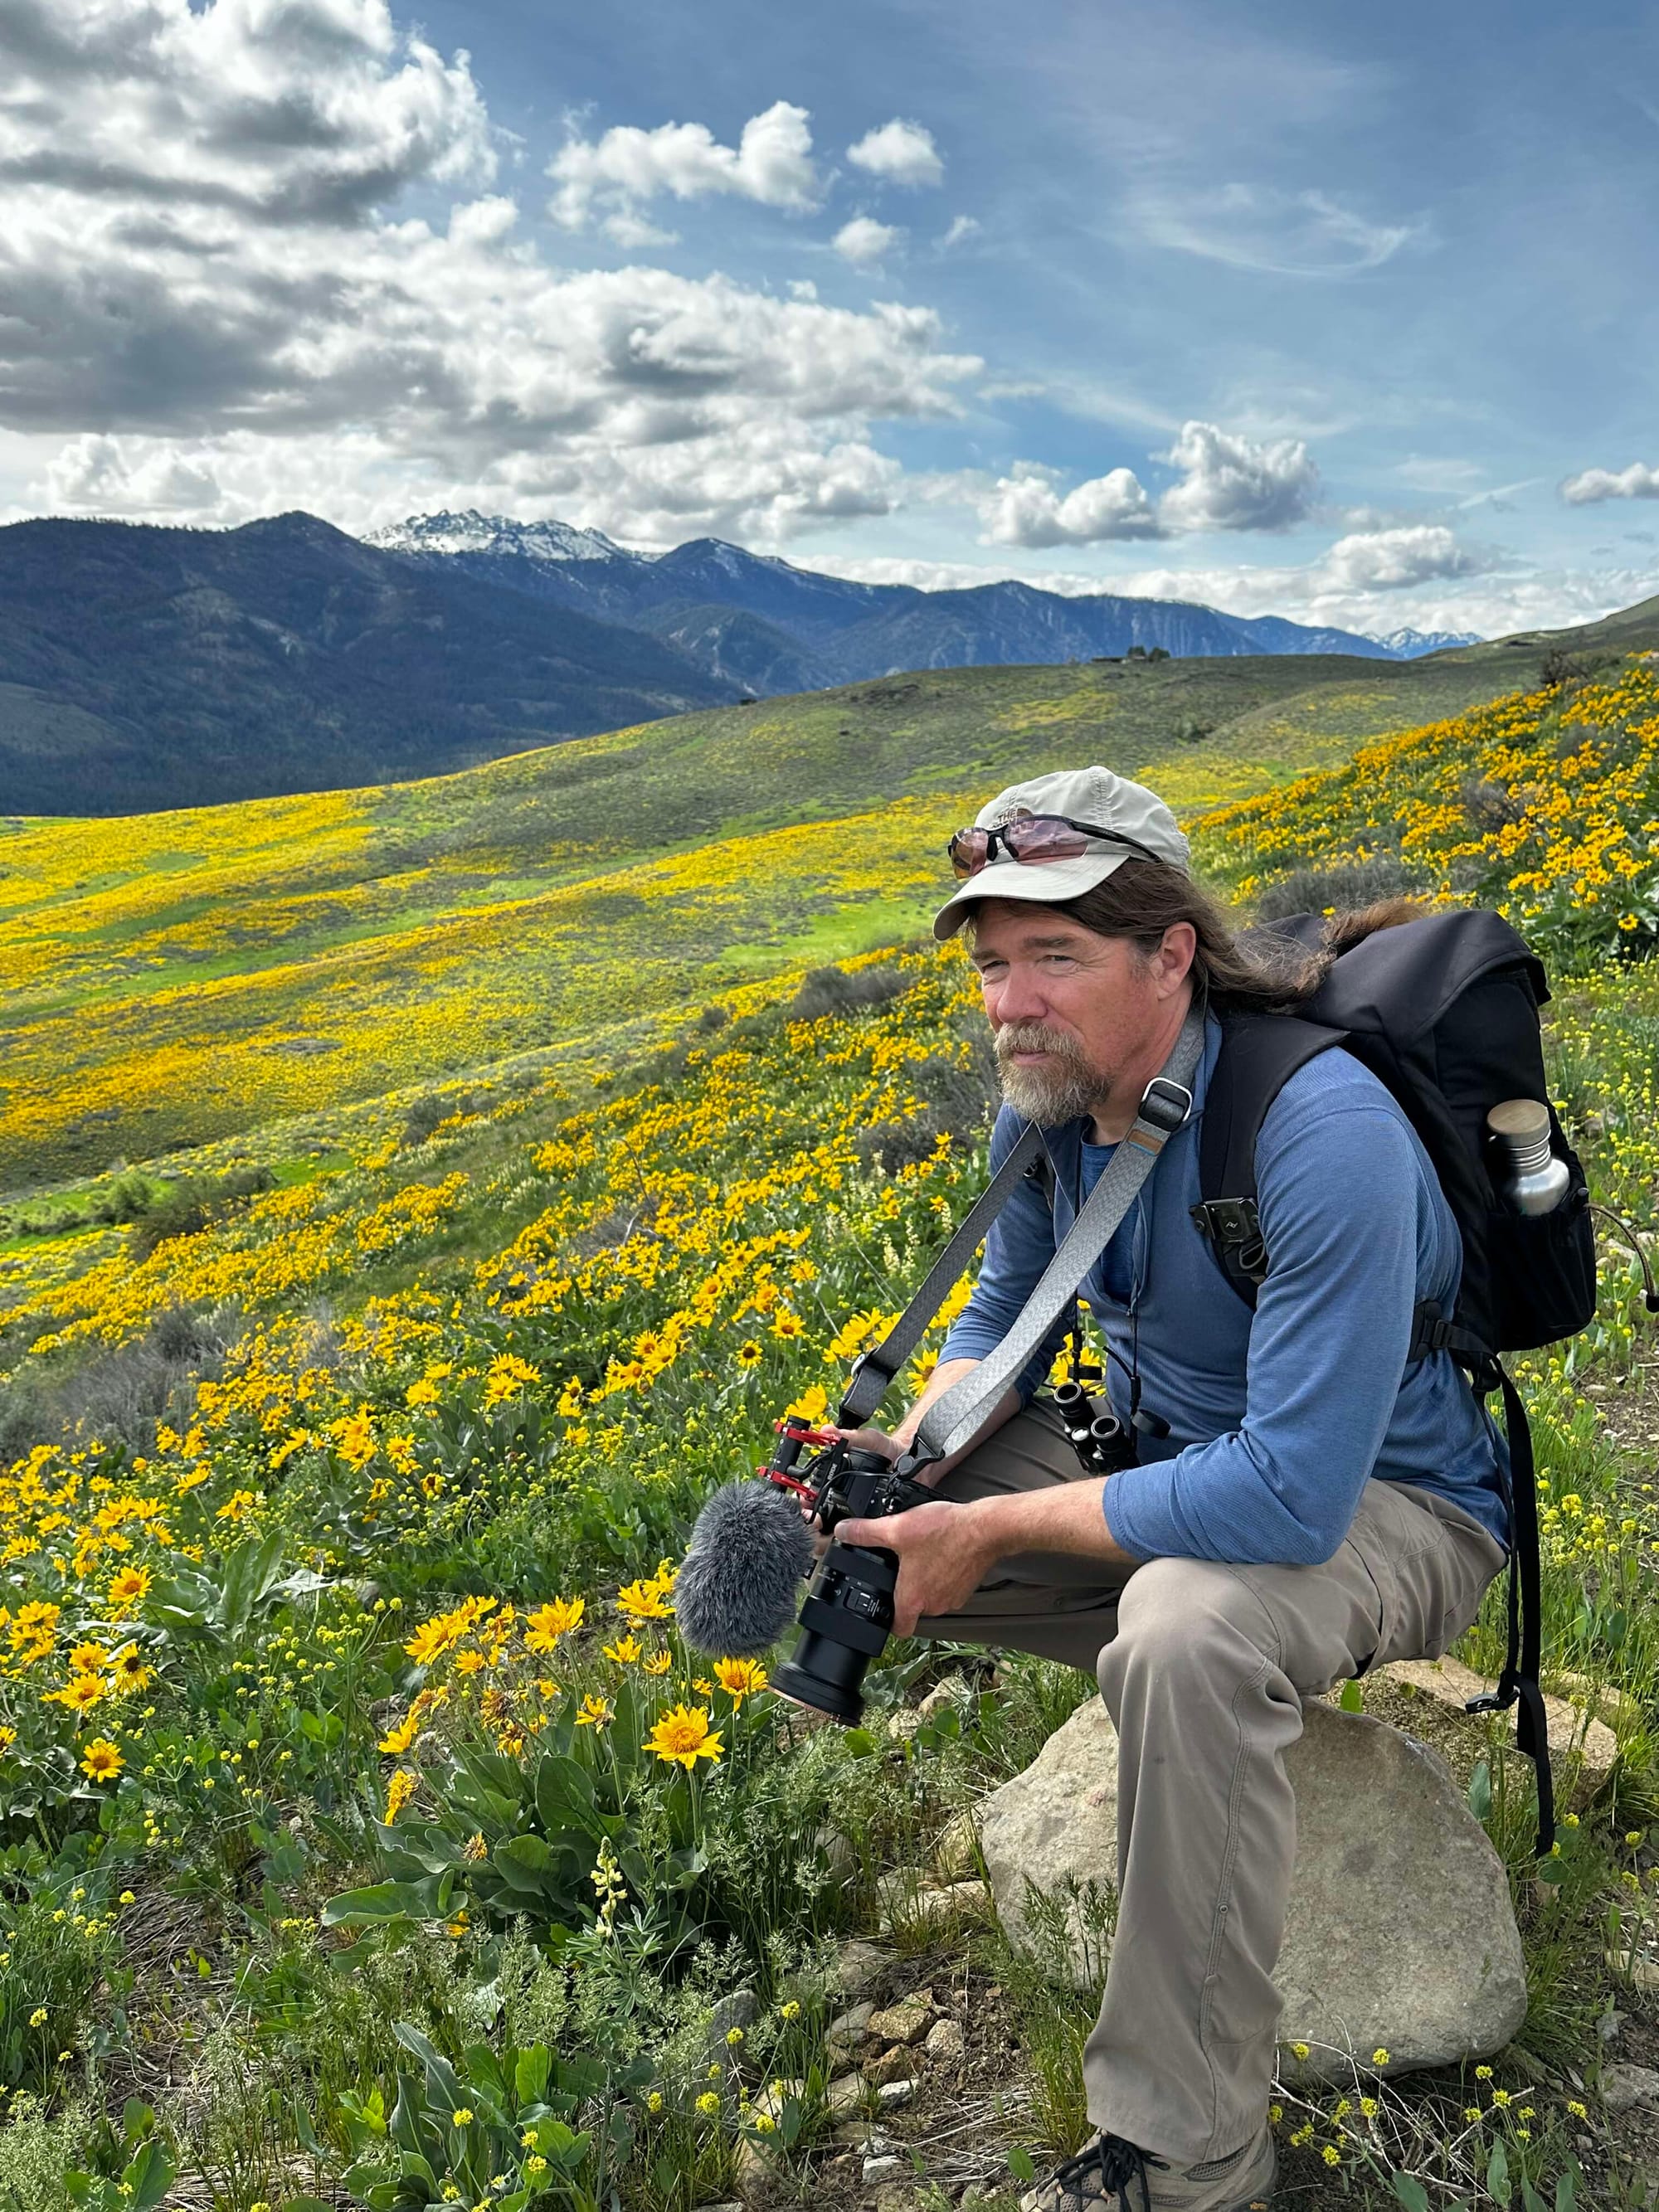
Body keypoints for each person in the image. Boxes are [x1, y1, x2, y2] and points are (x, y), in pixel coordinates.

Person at [829, 764, 1510, 2212]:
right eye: (994, 963)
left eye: (1055, 958)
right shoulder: (1049, 1110)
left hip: (1389, 1508)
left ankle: (1188, 2153)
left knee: (1189, 1631)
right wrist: (911, 1459)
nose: (1011, 1003)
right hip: (1179, 1475)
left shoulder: (1318, 1133)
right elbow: (995, 1329)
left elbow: (1287, 1500)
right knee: (865, 1525)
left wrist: (999, 1523)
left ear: (1172, 955)